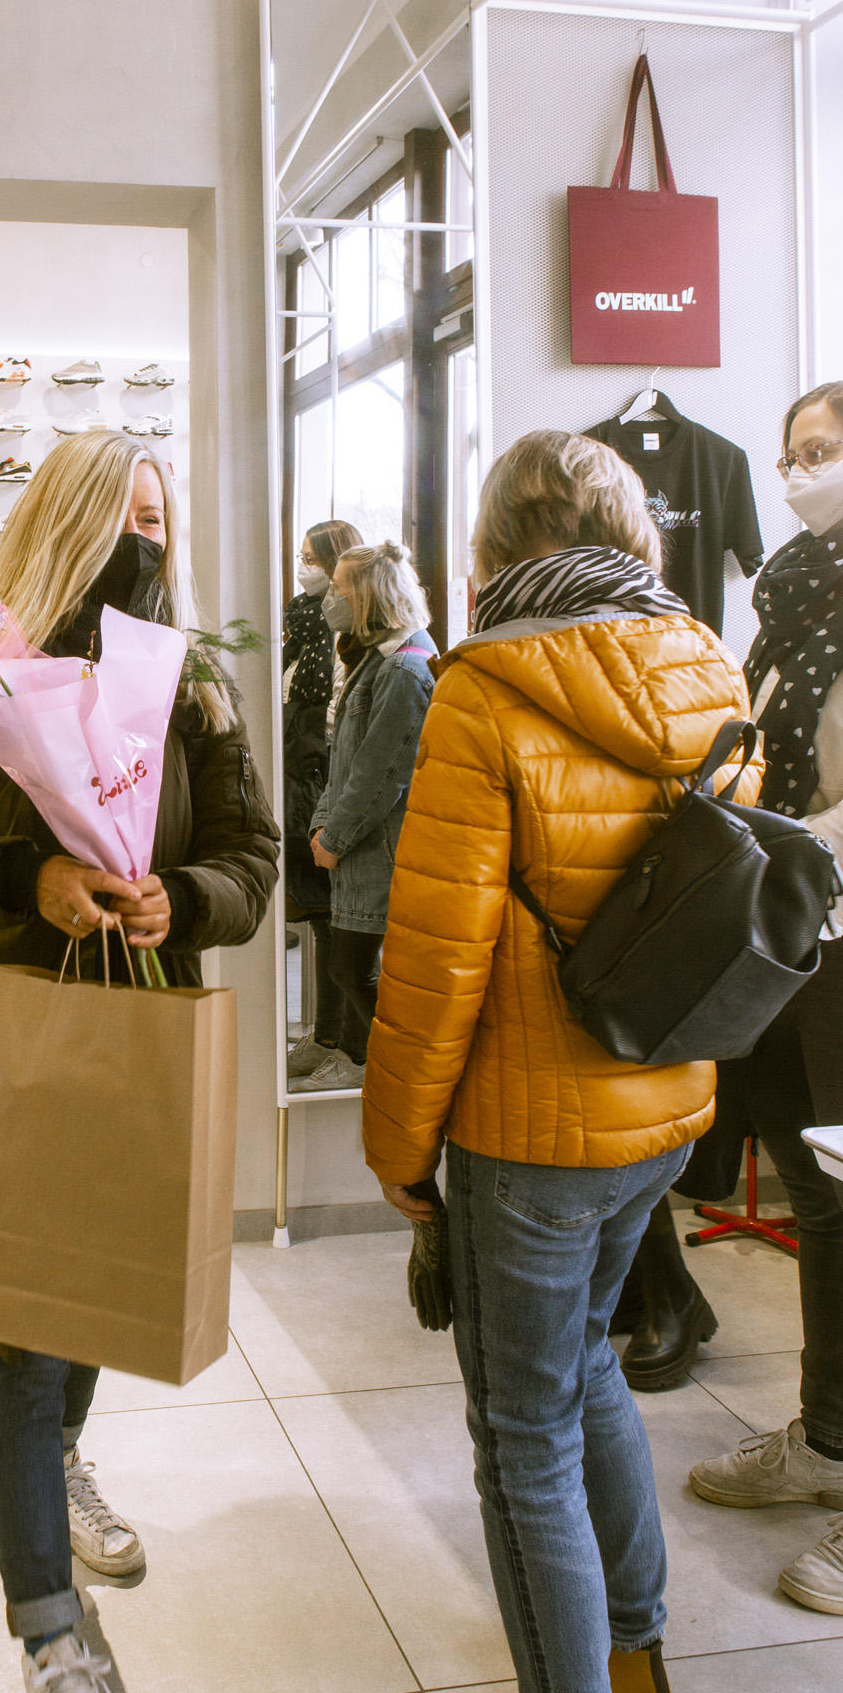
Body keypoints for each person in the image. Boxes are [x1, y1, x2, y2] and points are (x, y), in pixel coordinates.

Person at [0, 431, 278, 1693]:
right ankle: (50, 1629)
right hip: (5, 1028)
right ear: (65, 525)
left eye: (156, 522)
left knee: (96, 1278)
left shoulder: (194, 682)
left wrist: (181, 898)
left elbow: (252, 855)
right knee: (20, 1325)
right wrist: (21, 876)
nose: (141, 544)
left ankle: (60, 1457)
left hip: (138, 1028)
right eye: (120, 520)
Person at [363, 431, 753, 1693]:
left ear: (493, 540)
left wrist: (397, 1148)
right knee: (586, 1367)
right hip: (668, 1100)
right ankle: (636, 1656)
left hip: (525, 1130)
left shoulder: (483, 688)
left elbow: (437, 958)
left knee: (521, 1435)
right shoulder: (706, 663)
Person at [685, 382, 843, 1618]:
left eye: (825, 449)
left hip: (833, 913)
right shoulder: (790, 597)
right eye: (791, 452)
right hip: (794, 931)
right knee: (814, 1188)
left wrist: (793, 846)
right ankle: (829, 1437)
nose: (800, 470)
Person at [294, 540, 434, 1091]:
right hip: (360, 846)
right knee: (350, 965)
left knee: (352, 969)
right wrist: (322, 825)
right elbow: (345, 760)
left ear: (369, 596)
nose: (331, 597)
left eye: (340, 589)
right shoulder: (377, 660)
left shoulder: (404, 668)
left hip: (380, 851)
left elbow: (382, 771)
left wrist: (335, 836)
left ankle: (389, 1068)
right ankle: (362, 1061)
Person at [282, 516, 361, 1081]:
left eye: (311, 558)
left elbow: (338, 714)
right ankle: (327, 1033)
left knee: (336, 915)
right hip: (300, 770)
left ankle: (345, 1042)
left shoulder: (344, 632)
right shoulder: (300, 623)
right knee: (318, 913)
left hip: (323, 773)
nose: (302, 568)